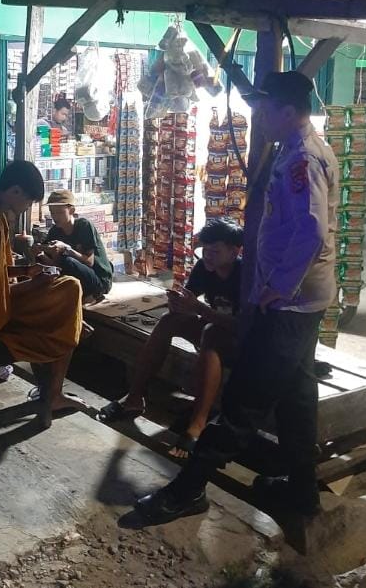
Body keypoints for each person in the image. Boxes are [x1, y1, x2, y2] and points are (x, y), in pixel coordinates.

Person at [135, 71, 339, 523]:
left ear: (288, 111)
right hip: (301, 302)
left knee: (243, 402)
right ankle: (302, 493)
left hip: (289, 304)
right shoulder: (300, 150)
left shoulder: (302, 159)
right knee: (297, 400)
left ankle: (188, 490)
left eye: (265, 110)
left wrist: (278, 286)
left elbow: (310, 230)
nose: (259, 118)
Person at [97, 218, 243, 459]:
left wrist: (199, 309)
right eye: (205, 250)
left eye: (215, 251)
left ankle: (197, 424)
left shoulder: (246, 275)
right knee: (168, 321)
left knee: (211, 332)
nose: (208, 256)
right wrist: (177, 303)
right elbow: (189, 301)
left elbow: (244, 327)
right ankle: (134, 397)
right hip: (216, 333)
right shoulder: (204, 267)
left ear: (235, 251)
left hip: (246, 344)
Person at [0, 160, 86, 412]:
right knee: (70, 291)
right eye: (29, 201)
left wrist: (25, 271)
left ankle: (53, 393)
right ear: (15, 191)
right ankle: (53, 395)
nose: (27, 208)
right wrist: (34, 284)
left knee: (69, 302)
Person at [34, 189, 113, 303]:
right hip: (75, 278)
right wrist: (41, 255)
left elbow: (89, 262)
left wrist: (67, 249)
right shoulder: (55, 231)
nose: (55, 217)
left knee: (68, 260)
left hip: (98, 279)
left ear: (71, 210)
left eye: (59, 212)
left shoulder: (84, 226)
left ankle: (95, 294)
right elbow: (56, 264)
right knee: (42, 263)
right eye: (52, 213)